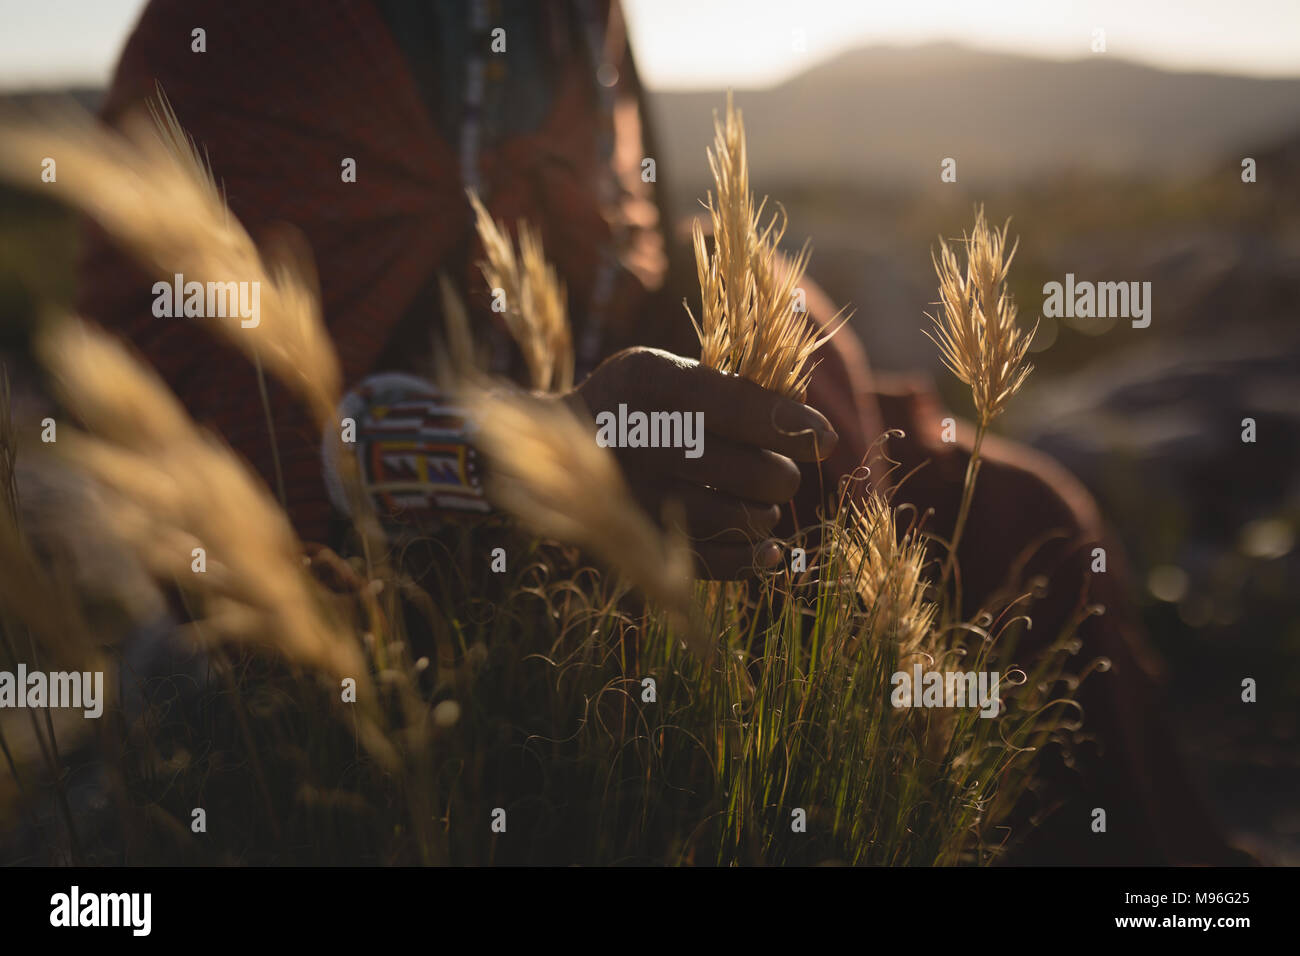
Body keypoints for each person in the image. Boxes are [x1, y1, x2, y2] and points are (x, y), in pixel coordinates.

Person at [78, 0, 1242, 864]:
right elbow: (181, 402)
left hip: (661, 488)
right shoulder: (235, 37)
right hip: (408, 583)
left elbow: (634, 257)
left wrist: (755, 350)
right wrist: (544, 454)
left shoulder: (580, 23)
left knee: (1027, 522)